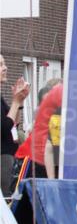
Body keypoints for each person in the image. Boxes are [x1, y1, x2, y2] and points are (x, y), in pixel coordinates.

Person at [0, 55, 30, 195]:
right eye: (0, 65)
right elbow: (4, 128)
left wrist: (19, 102)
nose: (5, 68)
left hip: (9, 157)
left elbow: (13, 126)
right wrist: (15, 102)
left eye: (4, 63)